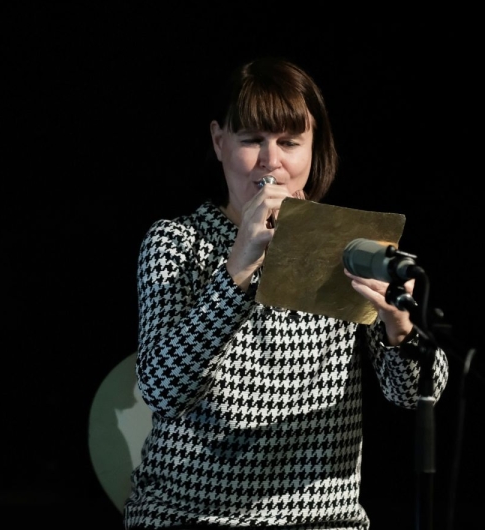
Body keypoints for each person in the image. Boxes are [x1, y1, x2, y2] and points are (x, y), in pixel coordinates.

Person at [123, 56, 449, 529]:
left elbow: (416, 394)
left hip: (322, 520)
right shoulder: (177, 242)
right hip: (189, 515)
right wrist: (238, 266)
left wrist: (399, 327)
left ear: (314, 149)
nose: (271, 161)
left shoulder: (348, 245)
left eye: (289, 142)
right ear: (219, 141)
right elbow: (160, 388)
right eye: (251, 140)